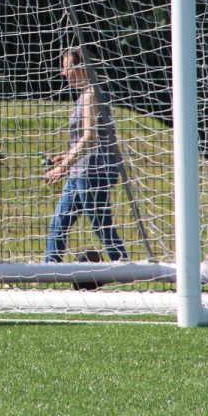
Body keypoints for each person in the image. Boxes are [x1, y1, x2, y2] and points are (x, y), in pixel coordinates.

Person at [43, 47, 128, 263]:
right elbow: (87, 138)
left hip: (94, 171)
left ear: (81, 68)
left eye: (67, 68)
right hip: (80, 169)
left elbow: (90, 138)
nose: (63, 74)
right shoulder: (84, 95)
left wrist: (64, 166)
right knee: (58, 224)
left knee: (101, 226)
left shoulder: (92, 94)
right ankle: (48, 272)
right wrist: (65, 157)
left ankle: (127, 271)